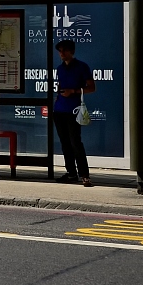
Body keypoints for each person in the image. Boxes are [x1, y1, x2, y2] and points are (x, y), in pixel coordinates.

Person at [53, 39, 95, 187]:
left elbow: (91, 88)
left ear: (72, 51)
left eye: (64, 50)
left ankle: (85, 175)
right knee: (65, 143)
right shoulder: (59, 68)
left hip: (74, 110)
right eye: (60, 51)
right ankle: (71, 173)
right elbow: (60, 85)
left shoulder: (82, 67)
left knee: (75, 142)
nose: (62, 53)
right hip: (59, 110)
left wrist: (74, 91)